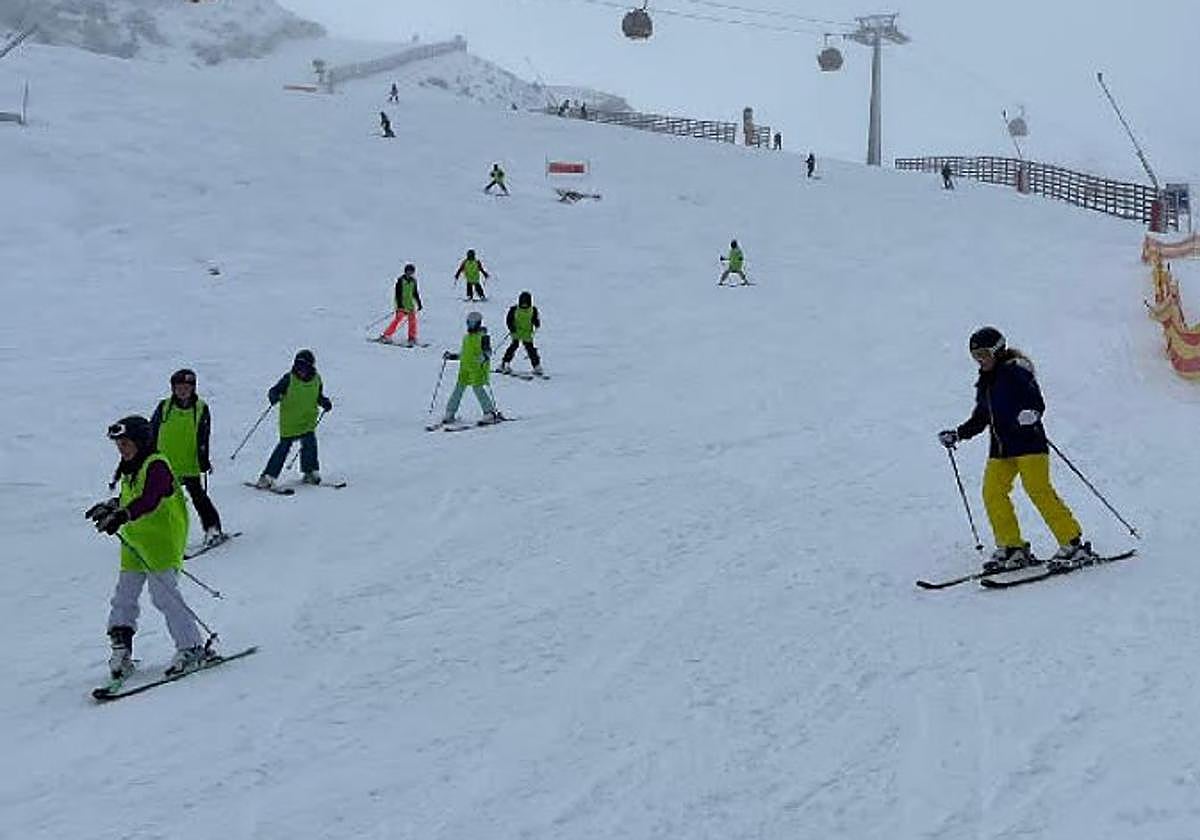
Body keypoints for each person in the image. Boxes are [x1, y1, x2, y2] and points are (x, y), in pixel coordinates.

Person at [938, 326, 1099, 573]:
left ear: (997, 350)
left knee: (1038, 490)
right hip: (1001, 448)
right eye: (974, 356)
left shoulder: (1015, 371)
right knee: (992, 492)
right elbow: (981, 417)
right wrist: (958, 433)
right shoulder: (985, 381)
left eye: (982, 354)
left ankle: (1072, 543)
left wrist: (1031, 414)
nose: (979, 360)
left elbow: (1036, 400)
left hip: (1028, 443)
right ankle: (1013, 547)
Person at [86, 416, 212, 679]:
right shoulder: (130, 466)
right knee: (124, 598)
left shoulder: (157, 465)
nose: (122, 448)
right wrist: (112, 505)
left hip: (162, 542)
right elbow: (132, 495)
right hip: (136, 543)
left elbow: (151, 498)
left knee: (163, 595)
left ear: (142, 441)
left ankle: (192, 647)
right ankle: (121, 650)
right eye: (119, 443)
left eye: (126, 442)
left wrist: (122, 515)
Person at [149, 369, 225, 547]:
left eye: (187, 387)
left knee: (199, 497)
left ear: (193, 388)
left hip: (189, 462)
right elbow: (151, 431)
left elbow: (204, 436)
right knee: (161, 502)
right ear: (173, 388)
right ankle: (160, 534)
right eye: (179, 387)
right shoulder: (164, 407)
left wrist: (203, 460)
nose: (183, 391)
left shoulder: (201, 408)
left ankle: (213, 529)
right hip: (165, 463)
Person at [256, 349, 333, 489]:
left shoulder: (317, 380)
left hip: (307, 421)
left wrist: (324, 402)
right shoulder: (289, 379)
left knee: (310, 445)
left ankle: (309, 472)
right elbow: (274, 391)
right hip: (290, 422)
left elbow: (318, 396)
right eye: (298, 366)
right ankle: (267, 477)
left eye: (304, 367)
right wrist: (274, 397)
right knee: (283, 448)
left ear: (311, 367)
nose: (301, 370)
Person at [441, 311, 501, 425]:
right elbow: (464, 354)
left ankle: (489, 412)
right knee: (458, 389)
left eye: (473, 323)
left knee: (478, 389)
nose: (470, 325)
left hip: (478, 369)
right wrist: (452, 356)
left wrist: (483, 357)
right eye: (469, 323)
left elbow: (488, 352)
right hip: (465, 368)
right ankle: (450, 412)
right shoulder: (466, 338)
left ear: (478, 323)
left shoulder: (483, 337)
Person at [501, 291, 544, 376]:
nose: (524, 305)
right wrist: (511, 327)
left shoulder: (533, 310)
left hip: (527, 333)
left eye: (526, 303)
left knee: (531, 350)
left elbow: (535, 319)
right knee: (513, 347)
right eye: (523, 303)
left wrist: (537, 323)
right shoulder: (514, 309)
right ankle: (505, 363)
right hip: (516, 332)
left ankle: (536, 366)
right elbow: (509, 320)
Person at [378, 263, 422, 345]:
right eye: (408, 271)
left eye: (411, 272)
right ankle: (386, 335)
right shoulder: (401, 280)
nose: (410, 273)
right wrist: (400, 305)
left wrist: (419, 303)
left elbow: (415, 293)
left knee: (412, 321)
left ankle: (412, 337)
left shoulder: (413, 281)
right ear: (405, 271)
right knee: (397, 320)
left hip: (410, 305)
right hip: (401, 304)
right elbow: (397, 294)